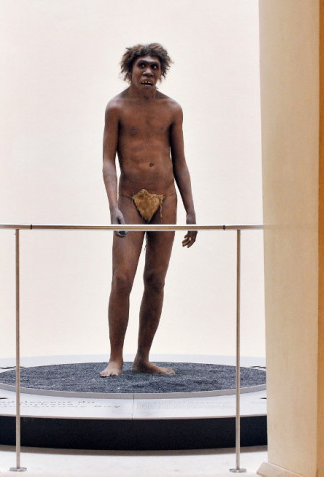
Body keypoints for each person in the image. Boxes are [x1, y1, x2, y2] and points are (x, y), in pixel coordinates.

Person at [100, 43, 197, 377]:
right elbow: (107, 162)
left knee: (156, 279)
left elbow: (180, 163)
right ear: (130, 69)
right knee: (122, 277)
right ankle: (116, 357)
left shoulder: (172, 109)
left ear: (161, 72)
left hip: (165, 199)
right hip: (129, 198)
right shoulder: (116, 108)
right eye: (142, 66)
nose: (148, 72)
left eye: (155, 67)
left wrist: (191, 211)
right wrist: (113, 205)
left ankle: (142, 357)